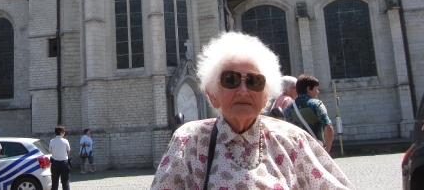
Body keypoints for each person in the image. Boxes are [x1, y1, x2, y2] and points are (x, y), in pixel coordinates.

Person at [151, 32, 354, 190]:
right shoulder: (189, 142)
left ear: (265, 96)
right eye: (230, 80)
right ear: (212, 94)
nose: (243, 91)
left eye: (254, 82)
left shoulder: (292, 140)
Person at [284, 73, 335, 153]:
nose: (318, 92)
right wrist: (327, 149)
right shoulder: (316, 104)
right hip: (315, 150)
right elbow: (328, 128)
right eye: (316, 89)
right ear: (308, 89)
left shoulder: (288, 108)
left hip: (298, 152)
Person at [49, 126, 71, 190]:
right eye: (64, 131)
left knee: (54, 181)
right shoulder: (65, 141)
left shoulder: (52, 141)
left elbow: (50, 151)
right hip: (64, 163)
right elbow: (68, 151)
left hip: (55, 163)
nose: (64, 133)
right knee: (65, 181)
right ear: (61, 132)